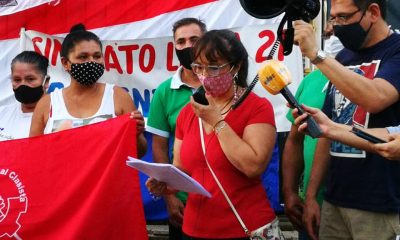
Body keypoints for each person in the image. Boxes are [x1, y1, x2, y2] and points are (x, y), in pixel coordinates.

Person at [147, 29, 281, 239]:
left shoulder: (257, 107)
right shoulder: (188, 112)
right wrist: (165, 183)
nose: (205, 75)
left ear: (235, 66)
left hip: (244, 226)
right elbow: (182, 167)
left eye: (214, 68)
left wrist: (217, 121)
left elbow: (253, 166)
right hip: (194, 228)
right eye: (198, 67)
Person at [293, 0, 400, 239]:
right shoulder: (342, 57)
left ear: (373, 12)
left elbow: (375, 97)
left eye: (343, 18)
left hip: (381, 205)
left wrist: (316, 55)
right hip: (336, 199)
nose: (336, 26)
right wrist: (311, 196)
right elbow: (326, 130)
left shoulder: (396, 51)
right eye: (333, 18)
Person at [30, 24, 147, 158]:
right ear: (65, 63)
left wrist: (136, 134)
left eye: (97, 56)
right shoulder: (48, 104)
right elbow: (33, 155)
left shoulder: (118, 96)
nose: (92, 62)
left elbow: (139, 153)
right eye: (83, 57)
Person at [146, 18, 206, 239]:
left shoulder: (225, 85)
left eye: (194, 39)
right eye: (181, 41)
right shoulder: (164, 92)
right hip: (182, 200)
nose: (188, 46)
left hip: (224, 196)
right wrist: (170, 198)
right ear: (175, 47)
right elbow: (159, 147)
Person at [282, 24, 343, 240]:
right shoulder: (310, 81)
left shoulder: (376, 77)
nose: (332, 37)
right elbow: (294, 140)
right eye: (328, 34)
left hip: (359, 207)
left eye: (338, 29)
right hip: (313, 206)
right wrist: (290, 192)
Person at [0, 51, 49, 141]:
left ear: (46, 81)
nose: (23, 84)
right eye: (17, 79)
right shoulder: (2, 114)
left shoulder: (57, 117)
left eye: (30, 79)